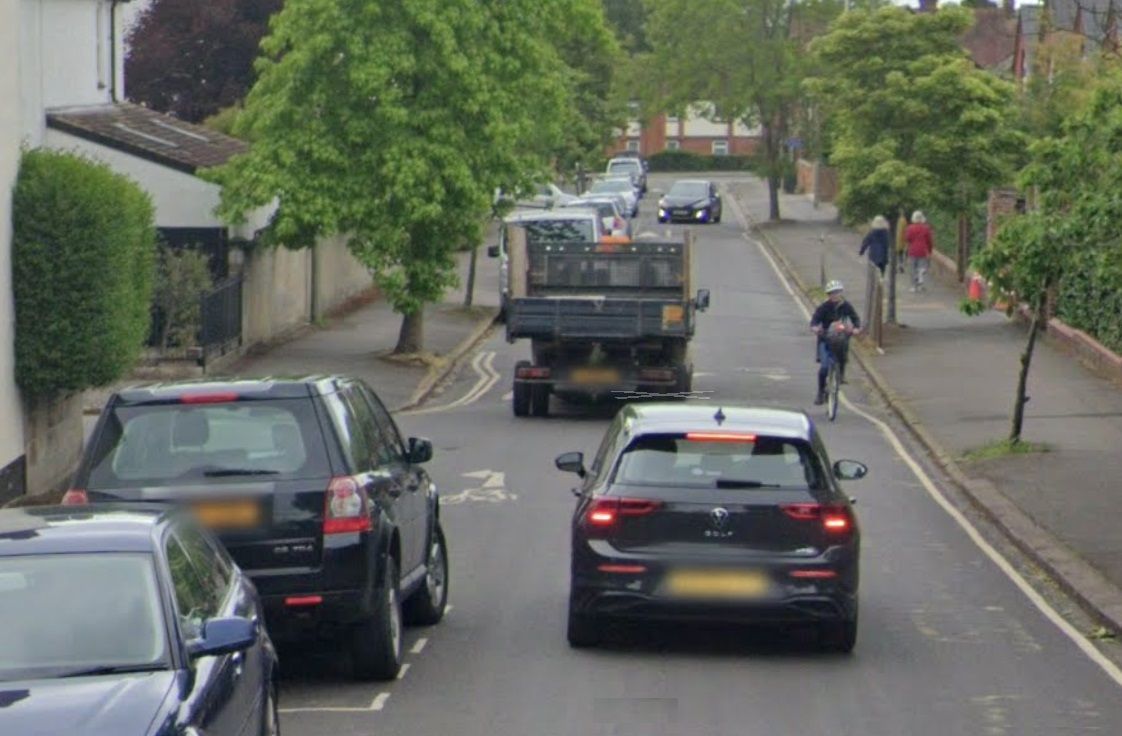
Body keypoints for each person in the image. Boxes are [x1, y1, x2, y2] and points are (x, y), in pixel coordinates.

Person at [810, 280, 861, 405]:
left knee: (843, 356)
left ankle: (841, 375)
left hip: (841, 338)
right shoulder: (823, 307)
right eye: (832, 293)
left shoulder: (846, 306)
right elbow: (814, 321)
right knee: (824, 368)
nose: (835, 295)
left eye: (837, 292)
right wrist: (816, 328)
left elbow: (855, 319)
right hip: (826, 339)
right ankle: (821, 392)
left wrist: (856, 329)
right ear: (828, 295)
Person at [904, 210, 934, 292]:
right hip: (923, 251)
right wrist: (930, 251)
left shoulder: (910, 228)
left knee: (913, 268)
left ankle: (913, 286)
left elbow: (907, 238)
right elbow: (929, 241)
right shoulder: (926, 228)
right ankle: (921, 285)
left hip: (913, 250)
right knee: (921, 268)